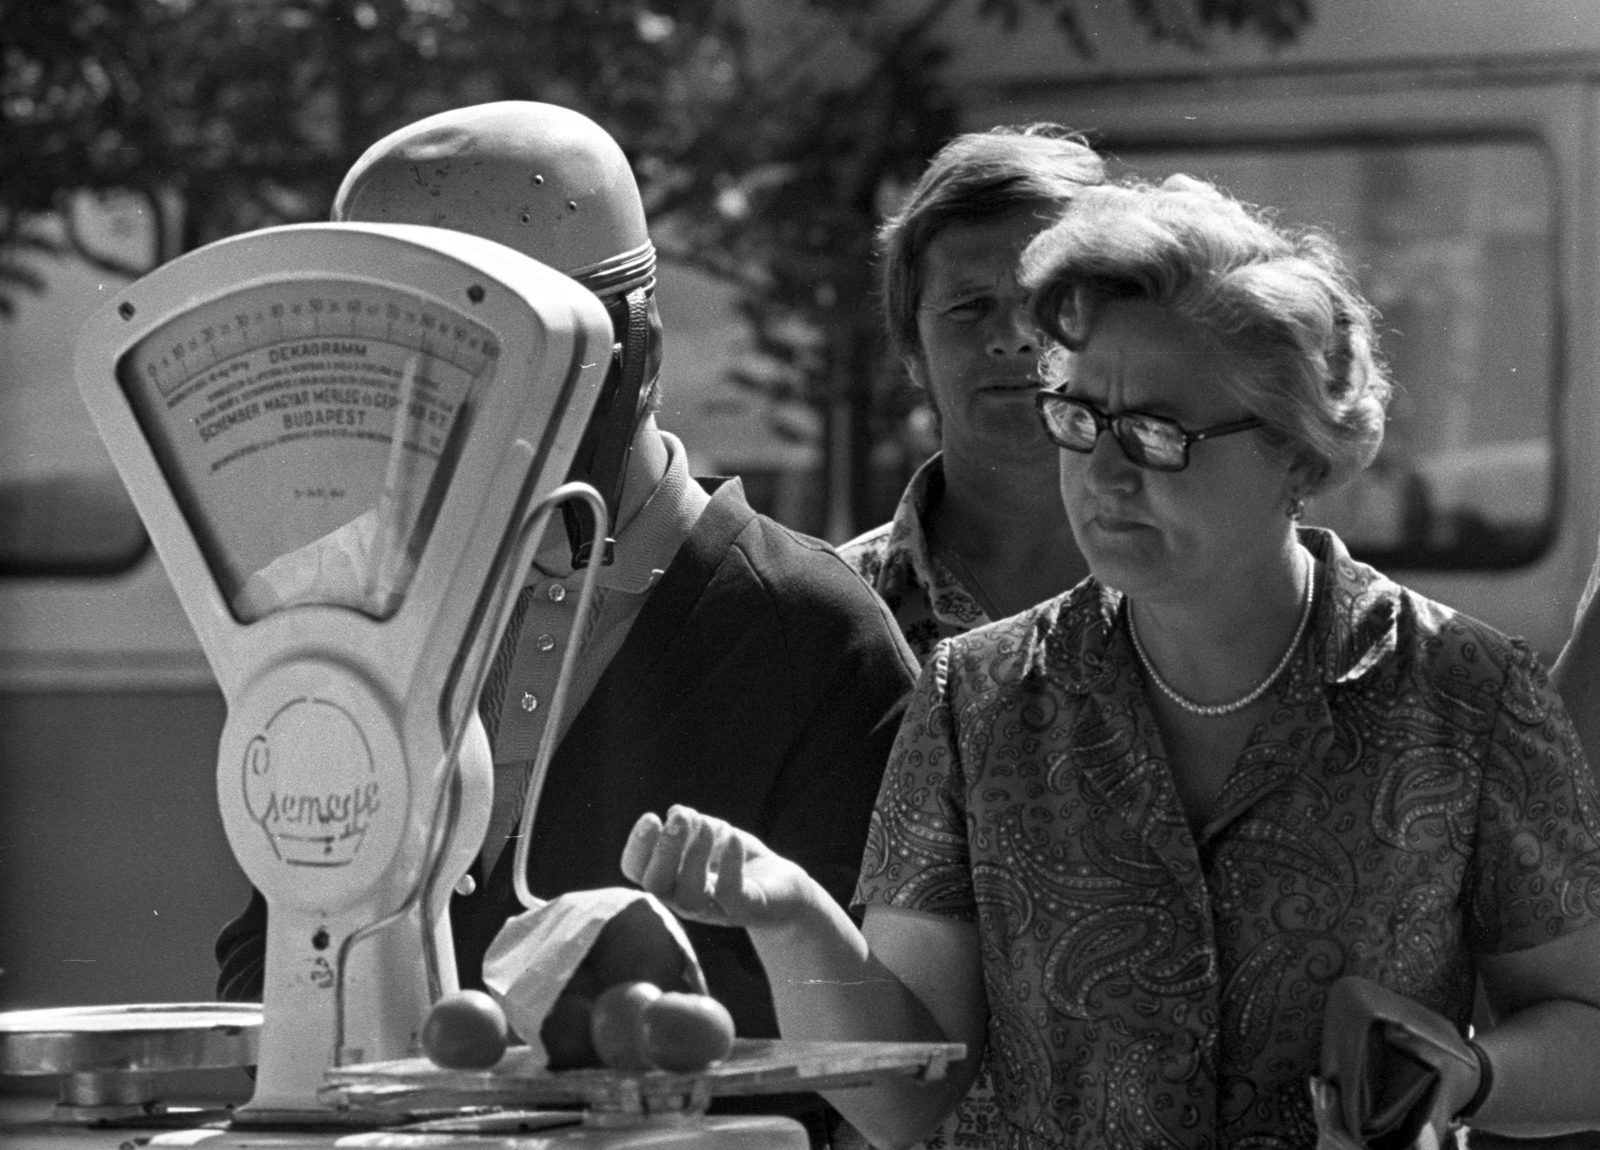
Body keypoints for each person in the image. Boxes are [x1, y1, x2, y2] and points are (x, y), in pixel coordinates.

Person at [620, 174, 1600, 1149]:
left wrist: (1469, 1074)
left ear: (1302, 453)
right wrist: (792, 917)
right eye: (1079, 417)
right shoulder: (978, 697)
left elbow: (1584, 1029)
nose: (1104, 472)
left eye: (1159, 433)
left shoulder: (1466, 693)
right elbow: (902, 1094)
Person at [213, 101, 919, 1148]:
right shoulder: (359, 617)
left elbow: (872, 1061)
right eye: (419, 367)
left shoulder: (811, 629)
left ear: (639, 352)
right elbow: (269, 949)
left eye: (512, 355)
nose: (466, 411)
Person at [839, 125, 1102, 663]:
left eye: (1048, 301)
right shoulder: (830, 611)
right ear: (912, 352)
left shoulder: (1198, 584)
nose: (1013, 338)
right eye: (968, 306)